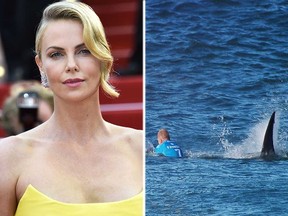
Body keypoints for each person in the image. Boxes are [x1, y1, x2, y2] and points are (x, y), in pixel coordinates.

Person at [0, 2, 143, 215]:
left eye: (84, 51)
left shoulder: (140, 149)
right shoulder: (7, 157)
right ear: (41, 66)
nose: (71, 65)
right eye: (56, 54)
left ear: (103, 58)